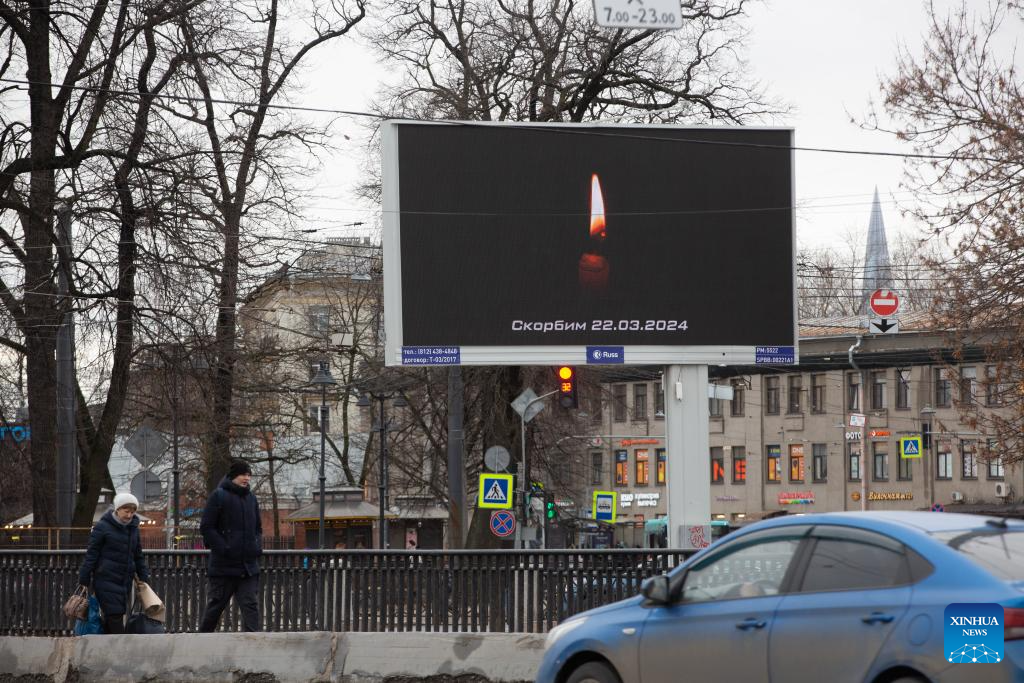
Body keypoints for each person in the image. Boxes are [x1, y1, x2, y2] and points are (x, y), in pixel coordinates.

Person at [199, 459, 263, 632]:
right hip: (223, 566)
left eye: (249, 475)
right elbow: (207, 527)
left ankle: (253, 642)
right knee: (215, 608)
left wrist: (256, 546)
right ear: (234, 476)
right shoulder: (218, 496)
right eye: (243, 474)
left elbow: (258, 528)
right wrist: (224, 548)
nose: (247, 478)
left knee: (251, 606)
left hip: (247, 567)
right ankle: (201, 641)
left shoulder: (251, 498)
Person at [78, 492, 150, 634]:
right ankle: (121, 645)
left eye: (132, 512)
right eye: (126, 511)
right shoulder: (103, 527)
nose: (129, 515)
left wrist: (144, 576)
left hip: (124, 581)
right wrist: (84, 576)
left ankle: (107, 644)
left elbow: (138, 555)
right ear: (117, 509)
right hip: (105, 579)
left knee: (114, 615)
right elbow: (92, 554)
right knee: (114, 615)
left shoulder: (133, 529)